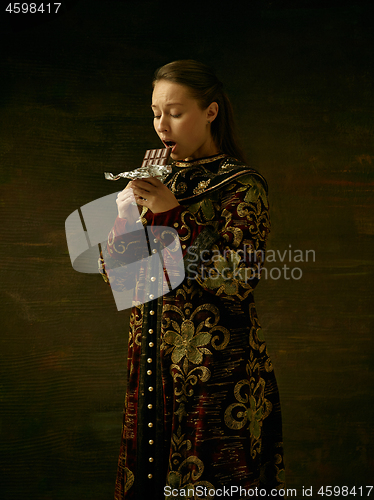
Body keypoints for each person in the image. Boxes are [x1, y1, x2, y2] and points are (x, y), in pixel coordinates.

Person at [99, 60, 285, 500]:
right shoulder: (154, 179)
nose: (162, 125)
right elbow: (124, 282)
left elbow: (239, 279)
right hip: (150, 363)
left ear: (211, 112)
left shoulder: (243, 185)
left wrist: (170, 217)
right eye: (156, 113)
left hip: (217, 370)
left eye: (176, 112)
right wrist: (124, 218)